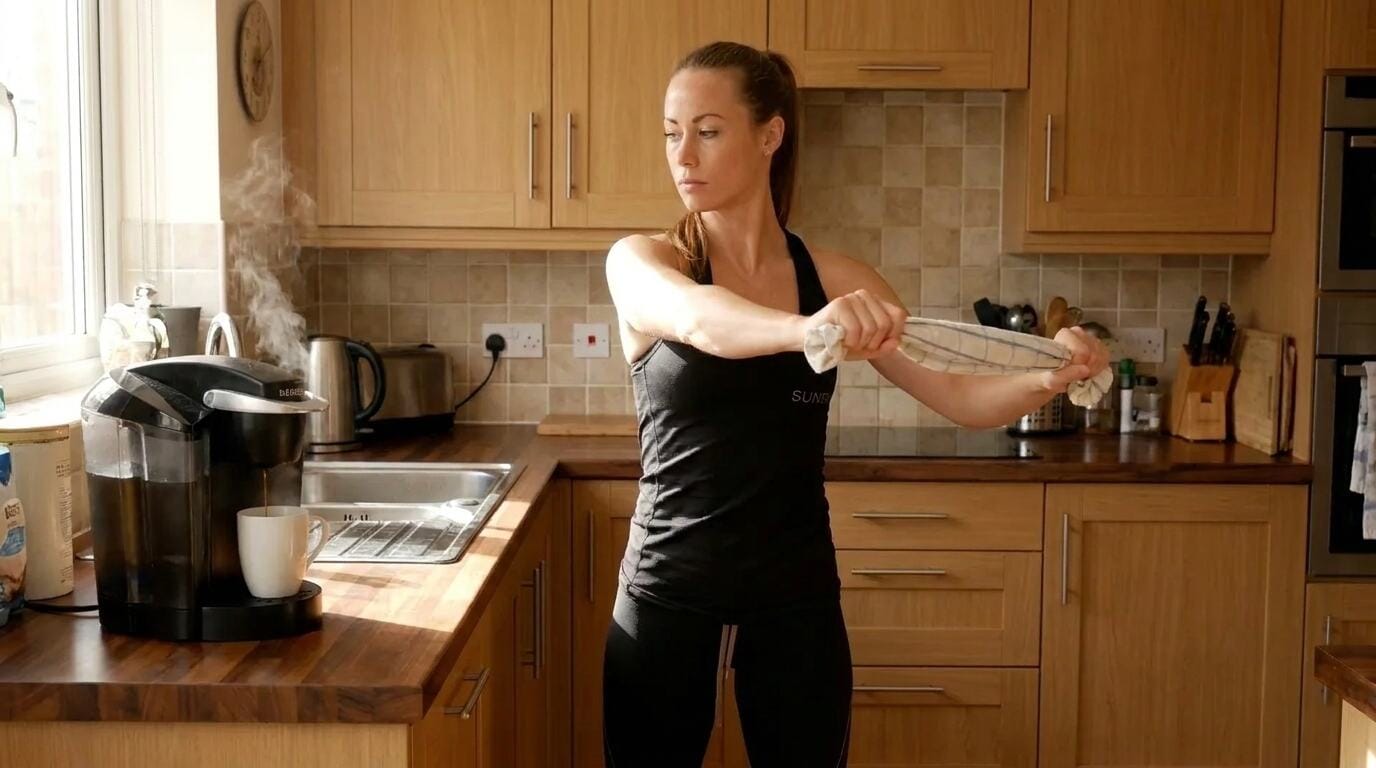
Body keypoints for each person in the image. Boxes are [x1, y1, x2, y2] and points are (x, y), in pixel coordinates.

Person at [601, 41, 1109, 767]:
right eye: (671, 132)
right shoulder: (646, 261)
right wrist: (805, 331)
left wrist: (1051, 376)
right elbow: (699, 321)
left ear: (769, 135)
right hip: (667, 591)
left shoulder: (834, 278)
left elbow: (957, 391)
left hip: (796, 596)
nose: (684, 154)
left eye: (708, 131)